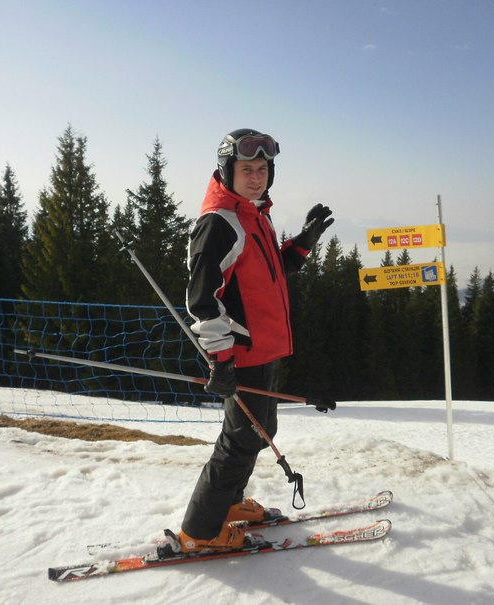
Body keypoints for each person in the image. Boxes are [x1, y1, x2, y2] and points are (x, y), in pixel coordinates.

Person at [166, 128, 334, 554]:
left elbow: (267, 275)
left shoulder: (254, 214)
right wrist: (221, 360)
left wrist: (302, 245)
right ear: (228, 171)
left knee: (259, 431)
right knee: (240, 441)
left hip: (263, 347)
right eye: (247, 169)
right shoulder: (218, 223)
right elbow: (202, 300)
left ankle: (229, 503)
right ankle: (199, 532)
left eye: (262, 169)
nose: (256, 176)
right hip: (240, 353)